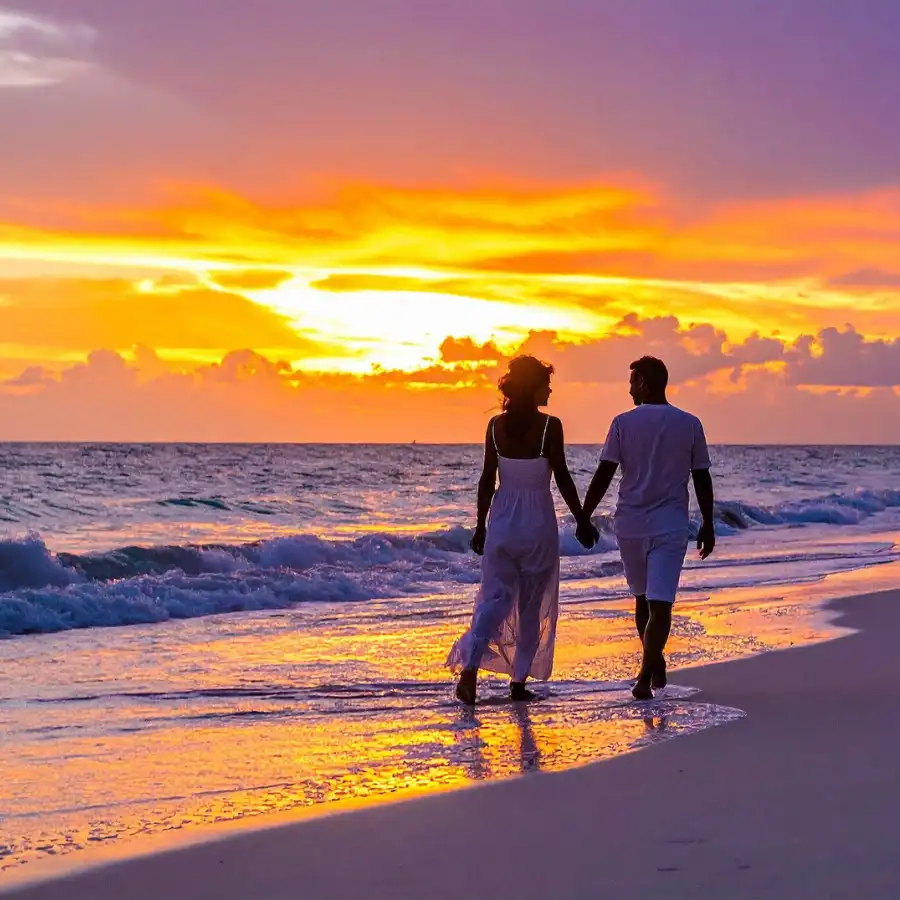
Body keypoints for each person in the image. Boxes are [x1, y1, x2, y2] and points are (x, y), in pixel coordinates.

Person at [447, 356, 596, 704]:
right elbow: (561, 477)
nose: (550, 389)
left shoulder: (495, 427)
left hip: (502, 522)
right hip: (537, 523)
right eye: (545, 383)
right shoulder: (550, 427)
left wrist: (481, 526)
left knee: (493, 598)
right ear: (533, 387)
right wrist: (581, 519)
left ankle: (470, 667)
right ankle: (518, 684)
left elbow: (487, 480)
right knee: (530, 606)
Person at [578, 356, 715, 701]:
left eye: (632, 381)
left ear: (643, 383)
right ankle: (655, 661)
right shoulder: (690, 423)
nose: (628, 389)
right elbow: (701, 478)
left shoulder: (623, 423)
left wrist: (584, 515)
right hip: (665, 524)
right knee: (652, 601)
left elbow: (605, 473)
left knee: (653, 602)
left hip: (635, 524)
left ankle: (643, 675)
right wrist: (708, 523)